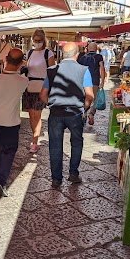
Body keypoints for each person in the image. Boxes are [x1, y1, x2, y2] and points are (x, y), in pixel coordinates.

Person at [40, 43, 94, 186]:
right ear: (77, 54)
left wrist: (49, 104)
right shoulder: (84, 70)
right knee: (76, 143)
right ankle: (73, 173)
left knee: (55, 145)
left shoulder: (51, 70)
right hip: (75, 112)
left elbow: (43, 94)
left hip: (56, 112)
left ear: (62, 54)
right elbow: (90, 95)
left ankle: (56, 179)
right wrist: (84, 107)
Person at [0, 48, 28, 197]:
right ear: (21, 63)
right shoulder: (23, 81)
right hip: (11, 123)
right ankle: (1, 180)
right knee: (9, 151)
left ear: (6, 59)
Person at [21, 29, 56, 153]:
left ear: (43, 40)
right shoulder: (29, 53)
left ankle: (34, 141)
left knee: (37, 114)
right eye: (35, 40)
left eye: (39, 41)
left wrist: (50, 89)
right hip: (29, 86)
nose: (37, 42)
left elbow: (52, 72)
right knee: (31, 115)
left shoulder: (48, 53)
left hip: (41, 86)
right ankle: (34, 136)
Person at [77, 42, 104, 126]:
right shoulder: (99, 57)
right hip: (95, 81)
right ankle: (91, 113)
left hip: (83, 81)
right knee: (94, 99)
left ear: (88, 48)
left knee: (85, 98)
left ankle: (83, 114)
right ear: (96, 49)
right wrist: (102, 80)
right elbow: (102, 68)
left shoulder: (82, 57)